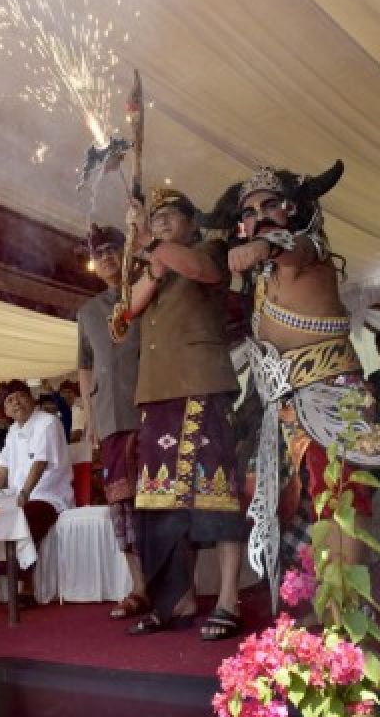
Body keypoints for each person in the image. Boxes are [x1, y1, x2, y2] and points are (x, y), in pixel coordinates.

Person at [208, 164, 380, 610]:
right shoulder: (261, 280)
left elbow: (290, 245)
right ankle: (321, 605)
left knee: (339, 496)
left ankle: (345, 609)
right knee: (290, 501)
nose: (262, 215)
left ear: (296, 209)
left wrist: (259, 243)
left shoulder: (310, 251)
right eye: (251, 211)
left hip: (332, 394)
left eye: (272, 204)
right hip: (283, 405)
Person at [122, 186, 244, 640]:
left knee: (217, 493)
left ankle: (229, 599)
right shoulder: (156, 264)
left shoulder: (209, 248)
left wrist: (149, 243)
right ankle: (178, 599)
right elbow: (129, 308)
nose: (161, 222)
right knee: (162, 503)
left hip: (200, 386)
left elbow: (199, 269)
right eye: (155, 218)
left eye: (171, 216)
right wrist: (147, 257)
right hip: (157, 395)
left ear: (192, 223)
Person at [76, 225, 150, 620]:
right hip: (109, 418)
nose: (106, 257)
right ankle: (138, 586)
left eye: (112, 249)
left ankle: (171, 585)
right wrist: (89, 416)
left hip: (153, 409)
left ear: (127, 252)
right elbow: (85, 366)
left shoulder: (147, 292)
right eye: (98, 252)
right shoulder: (87, 312)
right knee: (121, 505)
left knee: (158, 501)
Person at [0, 380, 75, 603]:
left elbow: (39, 462)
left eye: (20, 396)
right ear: (5, 410)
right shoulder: (13, 431)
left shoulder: (47, 423)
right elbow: (1, 472)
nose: (16, 403)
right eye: (10, 401)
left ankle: (27, 588)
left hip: (50, 496)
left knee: (21, 517)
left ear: (31, 398)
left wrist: (24, 494)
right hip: (19, 498)